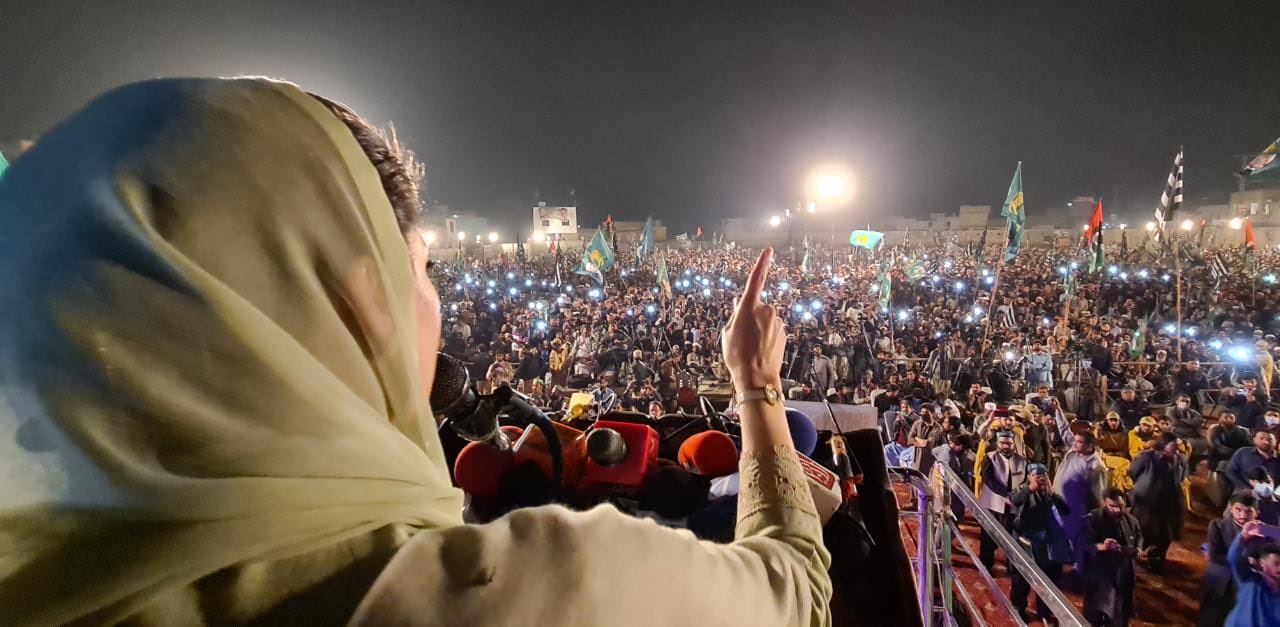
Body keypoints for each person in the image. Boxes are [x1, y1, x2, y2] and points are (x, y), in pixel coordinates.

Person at [0, 79, 832, 625]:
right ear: (363, 302)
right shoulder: (512, 594)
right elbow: (793, 587)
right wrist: (756, 388)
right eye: (423, 271)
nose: (436, 302)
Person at [1009, 465, 1071, 623]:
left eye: (1042, 477)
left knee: (1048, 580)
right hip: (1026, 542)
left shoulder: (1050, 491)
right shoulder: (1022, 488)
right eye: (1036, 476)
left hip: (1047, 544)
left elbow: (1065, 511)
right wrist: (1030, 488)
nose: (1040, 480)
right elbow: (1014, 501)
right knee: (1021, 580)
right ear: (1029, 476)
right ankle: (1018, 607)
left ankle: (1044, 612)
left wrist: (1053, 494)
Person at [1128, 432, 1189, 574]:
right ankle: (1134, 557)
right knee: (1143, 532)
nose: (1177, 448)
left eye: (1177, 445)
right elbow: (1133, 472)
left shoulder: (1180, 460)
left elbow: (1182, 477)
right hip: (1146, 503)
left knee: (1165, 535)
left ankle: (1155, 559)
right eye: (1173, 445)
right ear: (1164, 444)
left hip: (1169, 503)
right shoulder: (1146, 457)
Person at [1081, 489, 1143, 627]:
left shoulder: (1132, 521)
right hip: (1100, 575)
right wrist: (1102, 547)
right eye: (1112, 506)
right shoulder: (1093, 518)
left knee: (1120, 614)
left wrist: (1139, 550)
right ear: (1104, 503)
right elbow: (1084, 543)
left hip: (1123, 574)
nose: (1116, 510)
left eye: (1119, 507)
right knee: (1095, 613)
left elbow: (1139, 538)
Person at [1199, 492, 1258, 627]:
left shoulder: (1261, 533)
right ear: (1230, 509)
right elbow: (1214, 555)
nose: (1242, 515)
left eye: (1248, 511)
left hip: (1245, 585)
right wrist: (1246, 562)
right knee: (1211, 618)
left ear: (1256, 513)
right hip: (1220, 582)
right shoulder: (1218, 525)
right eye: (1238, 509)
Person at [1054, 431, 1108, 569]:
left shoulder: (1096, 466)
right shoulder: (1073, 453)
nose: (1074, 443)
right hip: (1059, 504)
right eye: (1075, 441)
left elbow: (1099, 493)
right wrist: (1058, 412)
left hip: (1076, 510)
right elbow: (1065, 431)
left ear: (1090, 445)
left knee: (1077, 539)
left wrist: (1096, 515)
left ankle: (1079, 568)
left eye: (1079, 442)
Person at [978, 431, 1029, 571]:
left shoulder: (1022, 460)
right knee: (989, 537)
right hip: (993, 505)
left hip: (1013, 507)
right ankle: (986, 565)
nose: (1005, 446)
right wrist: (1006, 495)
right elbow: (988, 480)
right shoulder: (989, 458)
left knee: (1011, 538)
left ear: (1013, 444)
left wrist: (1017, 497)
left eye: (1009, 443)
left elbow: (1025, 481)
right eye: (1002, 443)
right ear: (997, 443)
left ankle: (1011, 565)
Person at [1223, 521, 1280, 626]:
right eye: (1276, 563)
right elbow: (1234, 559)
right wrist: (1243, 537)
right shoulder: (1249, 579)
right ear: (1262, 563)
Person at [1226, 430, 1280, 497]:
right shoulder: (1243, 452)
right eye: (1261, 438)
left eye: (1270, 439)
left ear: (1275, 441)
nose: (1266, 442)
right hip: (1243, 493)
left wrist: (1274, 494)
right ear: (1254, 440)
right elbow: (1230, 471)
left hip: (1272, 496)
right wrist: (1245, 488)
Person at [1167, 394, 1208, 467]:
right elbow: (1174, 422)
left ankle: (1193, 463)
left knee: (1205, 443)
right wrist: (1190, 423)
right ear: (1177, 401)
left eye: (1187, 401)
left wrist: (1182, 421)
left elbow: (1199, 421)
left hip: (1194, 435)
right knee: (1188, 444)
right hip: (1177, 434)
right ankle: (1182, 464)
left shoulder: (1193, 412)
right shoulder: (1171, 410)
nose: (1185, 403)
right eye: (1182, 400)